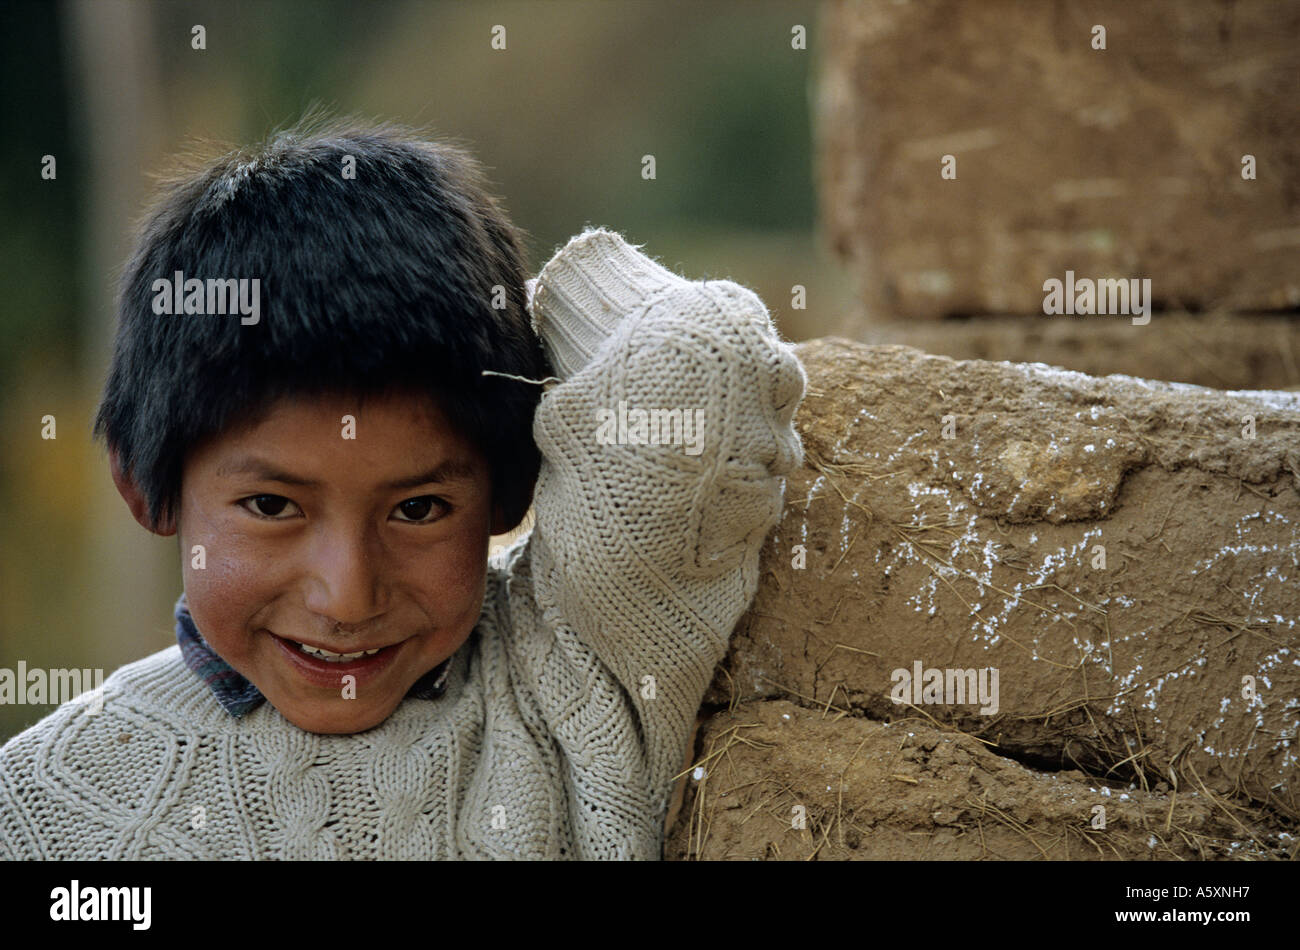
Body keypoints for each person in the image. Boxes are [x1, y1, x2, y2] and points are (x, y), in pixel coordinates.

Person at [0, 115, 806, 859]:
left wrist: (497, 345)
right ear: (149, 489)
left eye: (418, 509)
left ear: (509, 490)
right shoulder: (46, 807)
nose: (347, 598)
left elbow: (704, 368)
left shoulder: (568, 674)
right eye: (273, 507)